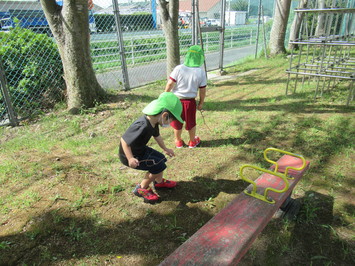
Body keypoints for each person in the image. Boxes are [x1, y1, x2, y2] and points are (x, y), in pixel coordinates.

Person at [119, 92, 183, 204]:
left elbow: (157, 136)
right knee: (158, 166)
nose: (171, 123)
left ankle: (159, 182)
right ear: (164, 115)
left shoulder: (154, 122)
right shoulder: (142, 125)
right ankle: (142, 188)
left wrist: (165, 149)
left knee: (161, 159)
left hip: (141, 150)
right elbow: (124, 141)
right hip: (131, 155)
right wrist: (130, 158)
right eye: (171, 120)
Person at [165, 45, 207, 148]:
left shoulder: (179, 68)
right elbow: (202, 90)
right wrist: (201, 103)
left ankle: (178, 141)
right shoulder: (200, 72)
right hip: (190, 103)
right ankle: (192, 141)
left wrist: (165, 94)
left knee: (177, 122)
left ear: (188, 56)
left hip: (176, 101)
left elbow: (170, 83)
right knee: (191, 122)